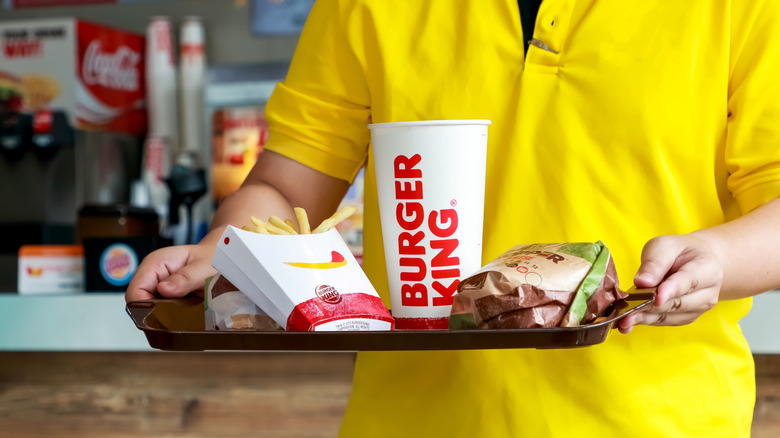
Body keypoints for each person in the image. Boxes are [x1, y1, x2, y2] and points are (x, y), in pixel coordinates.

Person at [127, 0, 780, 436]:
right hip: (411, 420)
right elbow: (283, 184)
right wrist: (228, 247)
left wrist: (715, 260)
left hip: (659, 423)